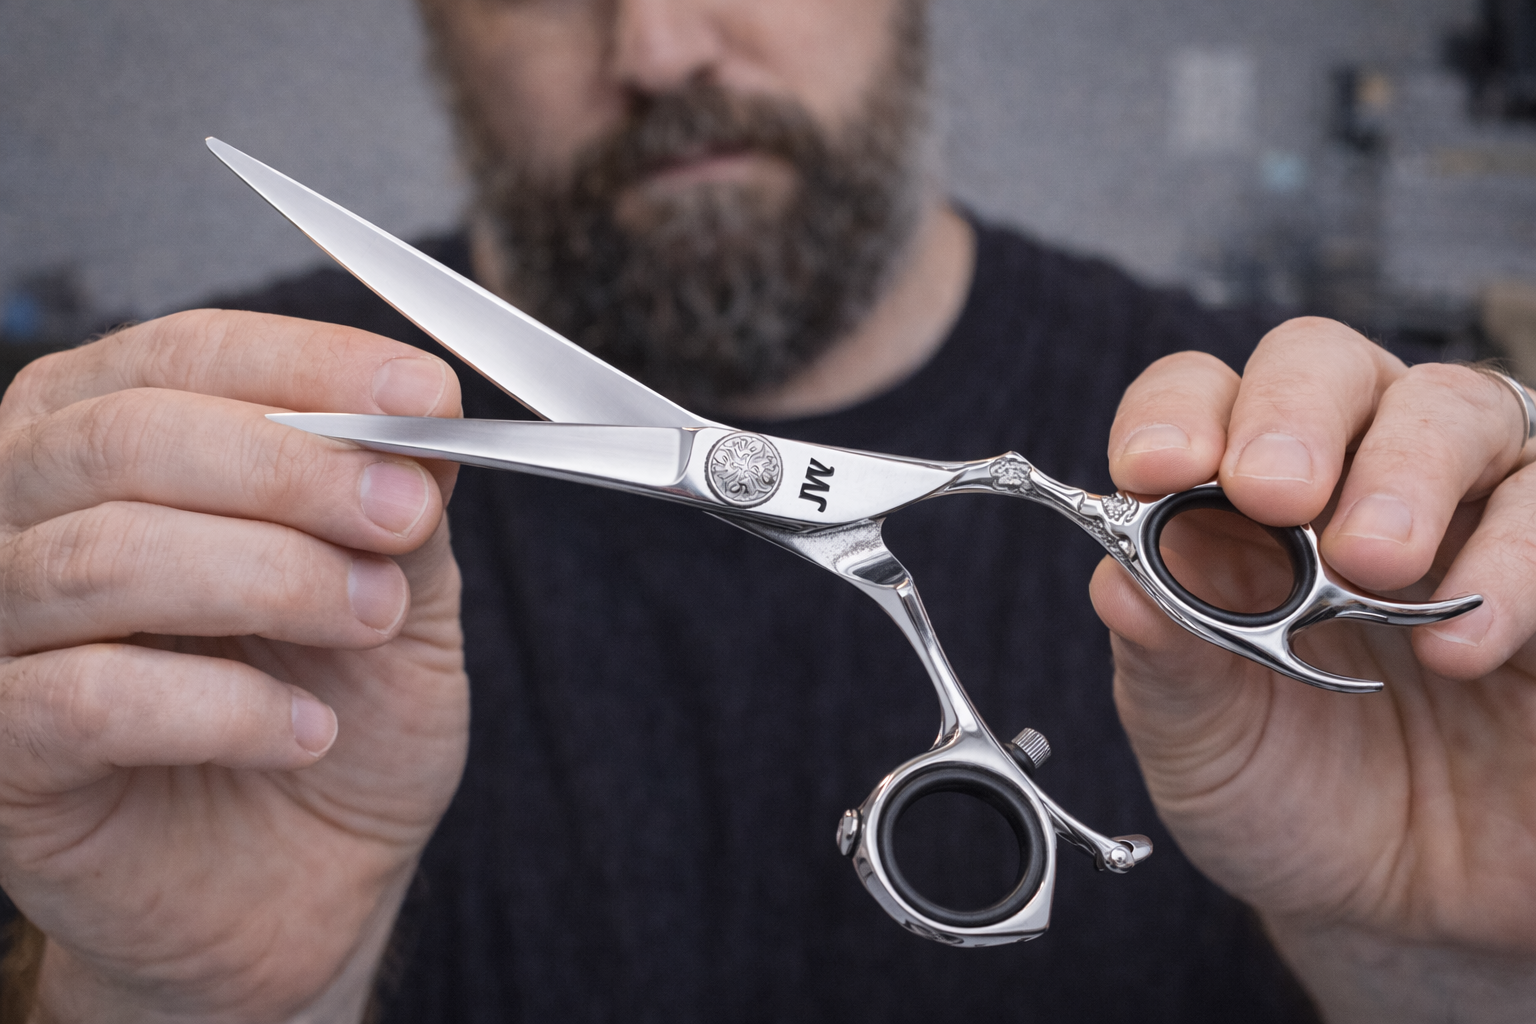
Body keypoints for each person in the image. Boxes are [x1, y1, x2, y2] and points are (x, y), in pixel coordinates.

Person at [2, 1, 1534, 1020]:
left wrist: (1446, 964)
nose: (659, 43)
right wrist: (157, 1004)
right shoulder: (191, 506)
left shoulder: (1284, 502)